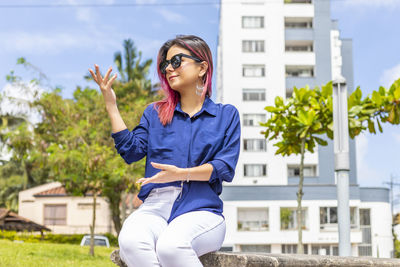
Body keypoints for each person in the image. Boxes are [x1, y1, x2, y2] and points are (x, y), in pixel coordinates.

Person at [89, 34, 241, 267]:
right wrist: (111, 105)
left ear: (202, 67)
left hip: (201, 209)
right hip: (155, 207)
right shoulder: (154, 113)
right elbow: (131, 151)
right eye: (165, 64)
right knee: (130, 241)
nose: (169, 68)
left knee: (171, 247)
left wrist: (181, 174)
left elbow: (224, 167)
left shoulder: (226, 115)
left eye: (177, 61)